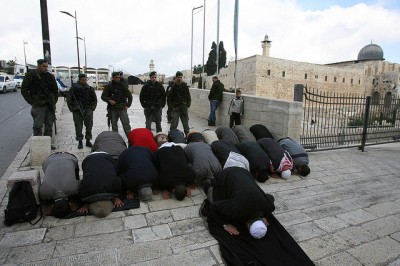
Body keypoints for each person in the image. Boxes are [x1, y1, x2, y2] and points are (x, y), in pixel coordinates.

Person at [200, 167, 275, 239]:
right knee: (214, 199)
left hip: (245, 172)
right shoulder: (236, 210)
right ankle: (209, 184)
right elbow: (213, 207)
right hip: (225, 175)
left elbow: (271, 197)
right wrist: (225, 224)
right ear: (248, 225)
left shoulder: (268, 206)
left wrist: (263, 214)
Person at [77, 151, 123, 218]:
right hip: (88, 160)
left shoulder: (115, 188)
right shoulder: (84, 192)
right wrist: (86, 204)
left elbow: (116, 180)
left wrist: (116, 197)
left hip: (107, 157)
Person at [21, 59, 58, 137]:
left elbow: (55, 91)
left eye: (47, 66)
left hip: (49, 105)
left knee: (49, 126)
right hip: (38, 105)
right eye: (44, 66)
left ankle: (47, 144)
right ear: (38, 65)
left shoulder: (50, 76)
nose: (46, 68)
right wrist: (32, 102)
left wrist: (54, 102)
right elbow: (24, 90)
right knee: (37, 126)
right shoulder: (30, 76)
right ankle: (38, 145)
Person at [153, 132, 194, 200]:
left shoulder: (190, 178)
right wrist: (165, 189)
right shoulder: (164, 182)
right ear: (173, 190)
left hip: (176, 148)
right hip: (164, 150)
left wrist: (186, 186)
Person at [39, 152, 80, 218]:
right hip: (48, 160)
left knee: (75, 176)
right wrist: (47, 204)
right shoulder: (44, 193)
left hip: (70, 157)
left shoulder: (75, 188)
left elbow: (82, 184)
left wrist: (73, 200)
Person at [66, 74, 97, 149]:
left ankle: (88, 140)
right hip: (77, 110)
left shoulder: (90, 88)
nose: (84, 81)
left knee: (89, 125)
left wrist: (92, 108)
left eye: (85, 80)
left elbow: (94, 99)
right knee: (78, 126)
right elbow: (69, 99)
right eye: (82, 80)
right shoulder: (74, 89)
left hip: (88, 109)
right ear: (79, 80)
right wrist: (72, 109)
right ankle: (80, 141)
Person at [101, 72, 132, 138]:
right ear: (113, 78)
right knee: (114, 126)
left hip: (122, 108)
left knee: (126, 125)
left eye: (119, 77)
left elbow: (130, 96)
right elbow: (103, 96)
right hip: (113, 109)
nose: (118, 79)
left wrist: (127, 106)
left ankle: (130, 140)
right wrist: (109, 100)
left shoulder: (123, 86)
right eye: (116, 77)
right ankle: (116, 140)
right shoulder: (109, 86)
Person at [167, 71, 191, 136]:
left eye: (181, 77)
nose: (180, 78)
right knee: (174, 123)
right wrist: (171, 107)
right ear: (176, 77)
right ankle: (172, 136)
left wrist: (188, 105)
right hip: (175, 108)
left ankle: (188, 136)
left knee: (185, 123)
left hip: (183, 108)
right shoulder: (172, 87)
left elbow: (188, 96)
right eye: (178, 77)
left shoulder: (184, 86)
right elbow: (169, 99)